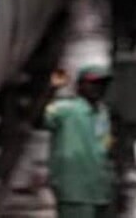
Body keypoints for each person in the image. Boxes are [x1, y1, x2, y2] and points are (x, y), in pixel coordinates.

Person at [45, 65, 114, 218]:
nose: (98, 88)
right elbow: (40, 118)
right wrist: (51, 90)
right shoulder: (66, 109)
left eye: (102, 84)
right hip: (74, 191)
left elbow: (104, 147)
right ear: (80, 86)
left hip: (99, 190)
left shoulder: (103, 113)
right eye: (92, 83)